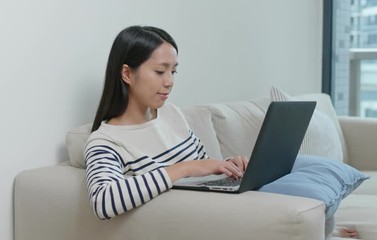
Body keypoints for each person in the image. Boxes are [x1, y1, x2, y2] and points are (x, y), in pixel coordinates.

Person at [85, 25, 358, 239]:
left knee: (305, 173)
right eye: (159, 71)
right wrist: (185, 169)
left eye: (173, 72)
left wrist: (226, 166)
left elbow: (204, 165)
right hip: (199, 220)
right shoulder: (107, 141)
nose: (169, 82)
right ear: (127, 74)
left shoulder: (171, 114)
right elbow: (105, 201)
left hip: (217, 204)